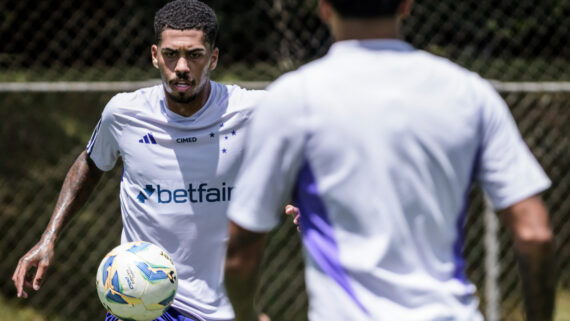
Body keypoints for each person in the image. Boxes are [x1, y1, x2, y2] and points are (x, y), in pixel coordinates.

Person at [224, 0, 557, 320]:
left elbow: (240, 253)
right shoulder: (468, 92)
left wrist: (245, 316)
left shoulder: (293, 98)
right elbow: (534, 233)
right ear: (406, 5)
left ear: (324, 6)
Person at [12, 1, 295, 320]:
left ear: (213, 58)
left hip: (221, 307)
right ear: (155, 55)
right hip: (140, 301)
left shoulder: (252, 111)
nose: (182, 66)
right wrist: (49, 236)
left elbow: (307, 152)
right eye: (171, 54)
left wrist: (307, 199)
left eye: (195, 55)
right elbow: (90, 164)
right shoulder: (124, 114)